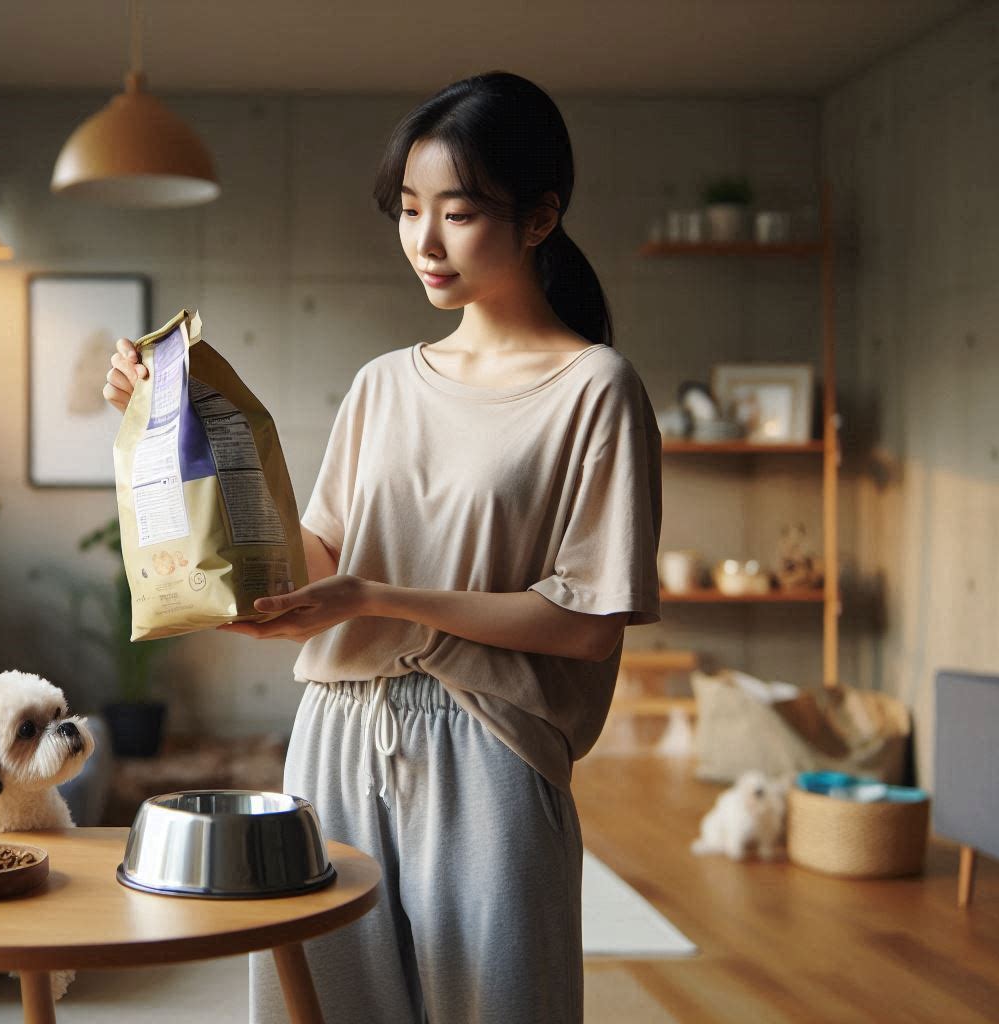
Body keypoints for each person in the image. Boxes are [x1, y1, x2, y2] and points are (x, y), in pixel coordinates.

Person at [101, 70, 661, 1024]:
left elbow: (589, 625)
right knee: (322, 1004)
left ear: (538, 218)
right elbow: (316, 561)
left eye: (458, 212)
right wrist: (169, 417)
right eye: (408, 210)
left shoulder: (593, 388)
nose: (425, 242)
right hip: (335, 735)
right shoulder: (383, 385)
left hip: (489, 747)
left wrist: (379, 601)